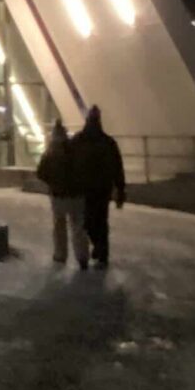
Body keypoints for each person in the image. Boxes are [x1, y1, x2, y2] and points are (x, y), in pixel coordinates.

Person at [65, 105, 126, 269]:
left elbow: (68, 164)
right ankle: (102, 252)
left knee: (88, 221)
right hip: (102, 188)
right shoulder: (108, 142)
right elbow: (117, 168)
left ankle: (98, 246)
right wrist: (120, 190)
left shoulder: (78, 141)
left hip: (83, 188)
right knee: (101, 220)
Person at [34, 122, 86, 268]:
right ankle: (82, 255)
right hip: (76, 194)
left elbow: (41, 173)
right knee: (78, 226)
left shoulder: (50, 153)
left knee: (59, 225)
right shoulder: (76, 151)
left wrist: (53, 182)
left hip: (58, 195)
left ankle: (60, 254)